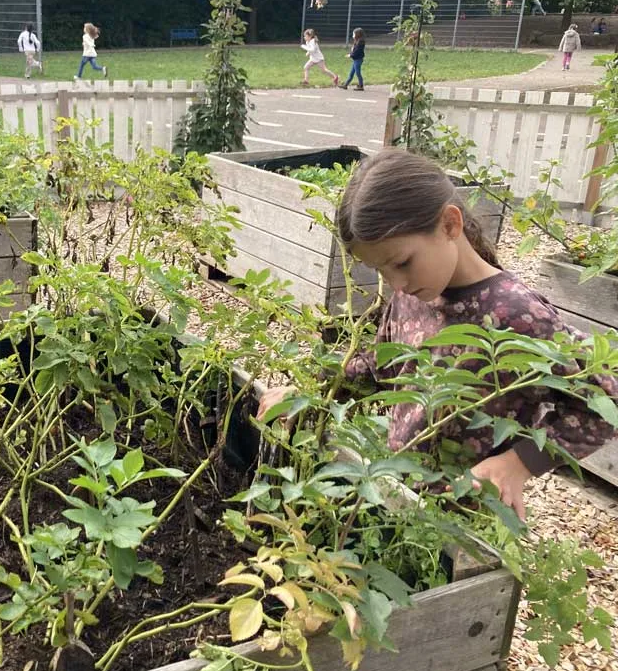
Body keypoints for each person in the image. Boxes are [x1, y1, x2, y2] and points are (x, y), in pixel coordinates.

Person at [257, 148, 618, 520]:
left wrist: (518, 463)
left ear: (449, 225)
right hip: (403, 501)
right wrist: (312, 392)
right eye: (381, 270)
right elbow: (383, 367)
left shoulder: (515, 314)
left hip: (464, 521)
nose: (395, 282)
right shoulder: (412, 294)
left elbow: (605, 404)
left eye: (401, 263)